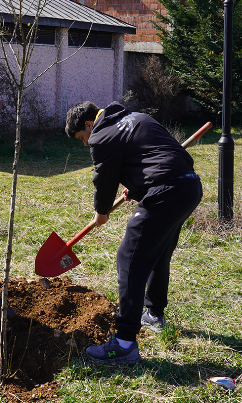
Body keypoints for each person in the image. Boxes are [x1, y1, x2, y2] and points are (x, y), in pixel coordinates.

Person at [65, 101, 202, 364]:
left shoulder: (102, 135)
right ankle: (153, 314)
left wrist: (101, 211)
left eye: (83, 138)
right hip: (189, 186)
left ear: (89, 125)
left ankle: (124, 342)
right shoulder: (137, 117)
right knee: (157, 253)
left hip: (166, 190)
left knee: (129, 257)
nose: (85, 144)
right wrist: (138, 186)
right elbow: (156, 156)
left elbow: (104, 177)